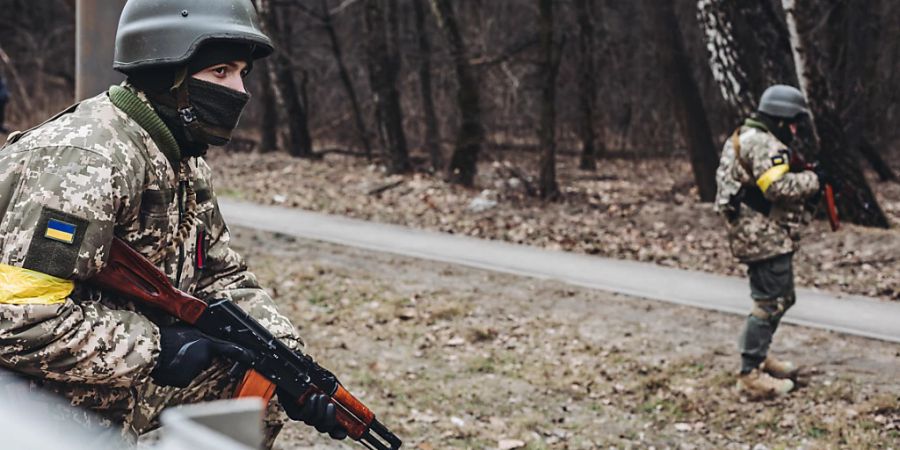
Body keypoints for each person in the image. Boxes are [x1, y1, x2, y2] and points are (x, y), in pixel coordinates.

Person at [0, 0, 345, 446]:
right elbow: (17, 320)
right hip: (25, 398)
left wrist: (292, 366)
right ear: (168, 74)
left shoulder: (179, 156)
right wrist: (158, 347)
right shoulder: (88, 160)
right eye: (221, 71)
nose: (239, 90)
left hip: (92, 375)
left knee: (252, 391)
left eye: (242, 73)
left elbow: (223, 274)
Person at [714, 84, 824, 399]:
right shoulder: (765, 143)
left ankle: (760, 358)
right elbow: (777, 188)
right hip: (763, 236)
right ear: (779, 119)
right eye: (792, 123)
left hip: (757, 233)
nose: (794, 129)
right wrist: (816, 181)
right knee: (769, 301)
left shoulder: (746, 136)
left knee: (781, 297)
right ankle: (750, 373)